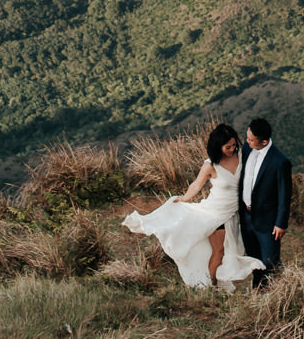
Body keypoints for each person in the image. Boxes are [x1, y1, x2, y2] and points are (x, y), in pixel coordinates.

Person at [122, 123, 266, 291]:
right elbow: (197, 185)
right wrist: (184, 199)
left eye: (234, 145)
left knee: (230, 252)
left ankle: (217, 283)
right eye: (228, 147)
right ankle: (211, 287)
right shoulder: (210, 165)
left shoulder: (241, 156)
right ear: (218, 147)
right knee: (218, 252)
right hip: (214, 214)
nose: (232, 149)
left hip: (233, 214)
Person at [235, 117, 292, 287]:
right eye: (247, 137)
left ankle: (273, 295)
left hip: (267, 221)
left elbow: (284, 195)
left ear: (265, 141)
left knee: (270, 262)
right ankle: (257, 290)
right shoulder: (247, 148)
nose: (247, 141)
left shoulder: (280, 162)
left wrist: (280, 223)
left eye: (251, 139)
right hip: (246, 217)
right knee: (253, 259)